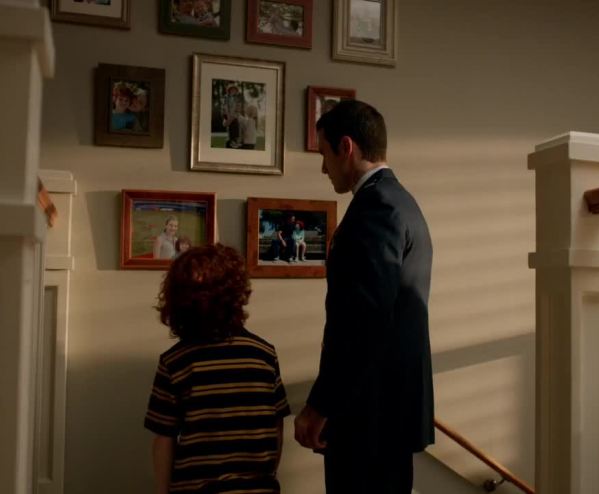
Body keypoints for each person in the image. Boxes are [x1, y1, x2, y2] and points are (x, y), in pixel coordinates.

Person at [294, 100, 434, 494]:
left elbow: (362, 321)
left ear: (346, 147)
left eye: (323, 154)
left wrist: (321, 405)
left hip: (368, 415)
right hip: (386, 413)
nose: (323, 168)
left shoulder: (376, 208)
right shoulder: (401, 202)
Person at [144, 244, 290, 493]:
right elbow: (276, 423)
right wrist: (268, 474)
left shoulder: (175, 362)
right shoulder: (263, 354)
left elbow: (164, 438)